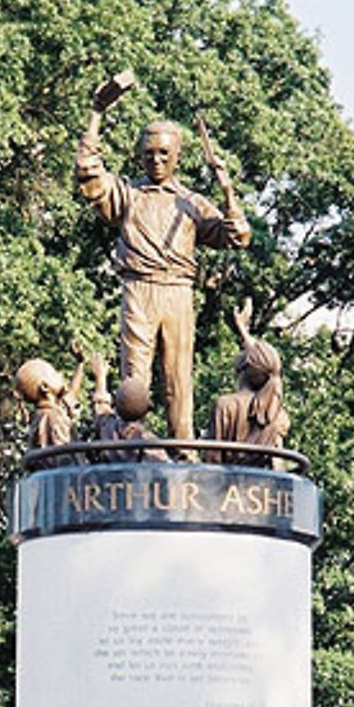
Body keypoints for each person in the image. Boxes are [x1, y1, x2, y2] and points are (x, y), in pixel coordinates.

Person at [75, 73, 251, 441]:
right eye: (149, 153)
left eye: (164, 154)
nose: (156, 160)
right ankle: (129, 449)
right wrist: (96, 113)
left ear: (177, 157)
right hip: (138, 290)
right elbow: (88, 176)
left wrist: (227, 189)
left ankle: (183, 453)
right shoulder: (128, 196)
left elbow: (238, 236)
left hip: (178, 294)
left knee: (178, 381)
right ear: (139, 156)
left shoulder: (190, 202)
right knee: (133, 380)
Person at [205, 299, 290, 466]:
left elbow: (213, 458)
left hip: (224, 486)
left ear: (243, 369)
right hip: (260, 488)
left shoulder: (225, 405)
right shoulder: (278, 415)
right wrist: (243, 329)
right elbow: (277, 464)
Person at [86, 351, 168, 462]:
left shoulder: (109, 429)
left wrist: (100, 378)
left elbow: (101, 408)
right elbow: (166, 471)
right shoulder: (148, 442)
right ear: (146, 413)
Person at [14, 347, 85, 467]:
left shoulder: (52, 410)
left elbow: (73, 390)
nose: (60, 374)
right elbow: (61, 452)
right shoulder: (52, 416)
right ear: (45, 387)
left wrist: (80, 364)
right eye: (54, 373)